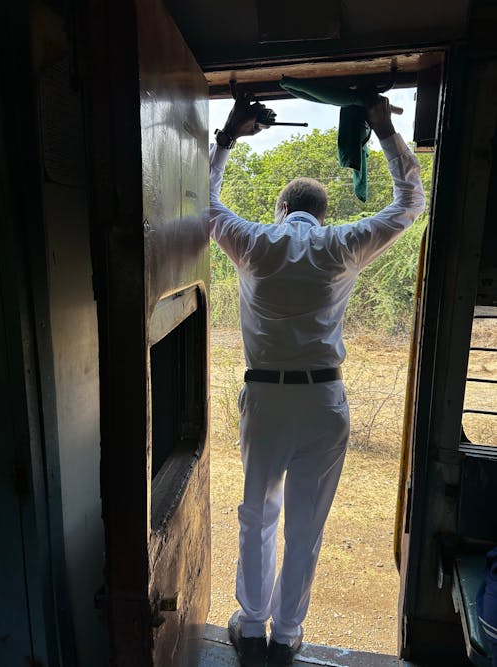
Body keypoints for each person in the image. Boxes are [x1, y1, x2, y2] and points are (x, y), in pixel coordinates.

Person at [209, 93, 425, 667]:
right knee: (307, 522)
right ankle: (287, 635)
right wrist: (382, 132)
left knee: (258, 512)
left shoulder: (253, 242)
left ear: (280, 208)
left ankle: (250, 626)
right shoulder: (342, 245)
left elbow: (201, 203)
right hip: (325, 400)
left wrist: (228, 137)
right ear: (320, 214)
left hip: (266, 397)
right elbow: (409, 203)